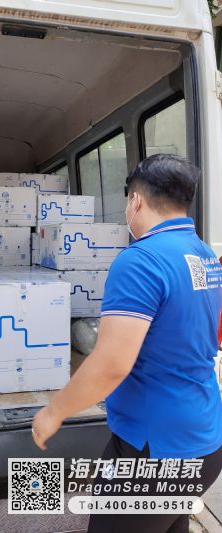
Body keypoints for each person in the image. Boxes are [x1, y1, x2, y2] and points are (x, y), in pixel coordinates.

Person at [32, 154, 222, 533]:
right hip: (205, 437)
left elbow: (111, 364)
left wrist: (53, 412)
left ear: (135, 201)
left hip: (154, 451)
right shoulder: (204, 256)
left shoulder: (140, 261)